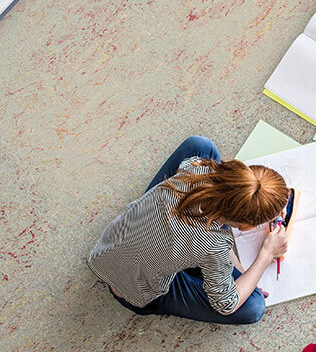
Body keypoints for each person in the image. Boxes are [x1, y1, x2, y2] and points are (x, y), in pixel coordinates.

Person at [87, 136, 290, 324]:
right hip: (134, 291)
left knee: (200, 145)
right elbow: (226, 304)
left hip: (105, 253)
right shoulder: (214, 245)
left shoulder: (195, 169)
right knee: (253, 306)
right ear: (247, 227)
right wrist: (266, 254)